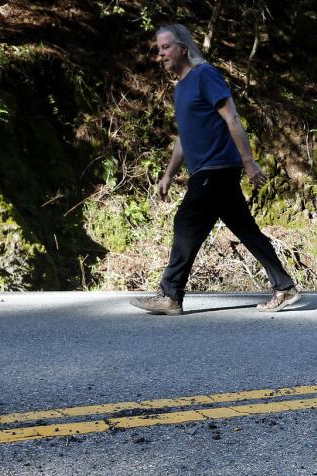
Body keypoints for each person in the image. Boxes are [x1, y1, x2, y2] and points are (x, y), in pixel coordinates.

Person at [130, 24, 301, 316]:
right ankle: (284, 287)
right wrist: (169, 174)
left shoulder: (204, 75)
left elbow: (232, 117)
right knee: (245, 229)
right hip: (207, 170)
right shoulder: (181, 87)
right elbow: (184, 137)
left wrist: (248, 161)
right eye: (158, 49)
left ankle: (170, 294)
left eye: (166, 47)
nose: (161, 54)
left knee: (186, 222)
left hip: (217, 167)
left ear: (183, 48)